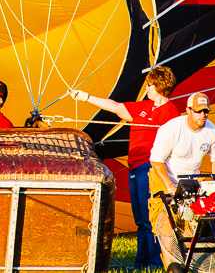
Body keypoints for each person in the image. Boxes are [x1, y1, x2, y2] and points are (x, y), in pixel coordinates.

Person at [70, 66, 179, 269]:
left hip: (150, 168)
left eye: (150, 85)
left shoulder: (171, 112)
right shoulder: (143, 107)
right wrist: (86, 97)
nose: (147, 89)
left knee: (150, 218)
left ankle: (155, 262)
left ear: (161, 87)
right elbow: (115, 106)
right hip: (135, 168)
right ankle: (141, 262)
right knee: (140, 218)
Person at [149, 93, 215, 264]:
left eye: (206, 111)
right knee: (167, 224)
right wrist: (169, 185)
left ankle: (192, 263)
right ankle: (172, 265)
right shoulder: (171, 129)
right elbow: (156, 160)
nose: (202, 115)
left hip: (191, 180)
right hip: (165, 176)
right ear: (188, 110)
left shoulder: (212, 131)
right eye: (198, 111)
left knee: (191, 222)